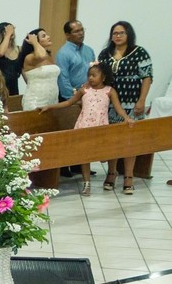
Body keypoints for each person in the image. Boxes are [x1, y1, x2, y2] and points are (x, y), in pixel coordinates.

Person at [41, 63, 132, 197]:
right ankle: (86, 182)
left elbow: (118, 108)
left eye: (94, 75)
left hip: (100, 126)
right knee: (85, 156)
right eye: (89, 75)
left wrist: (126, 118)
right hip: (84, 126)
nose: (90, 78)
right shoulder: (84, 90)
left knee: (105, 155)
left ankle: (113, 173)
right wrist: (49, 107)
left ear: (104, 77)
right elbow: (68, 103)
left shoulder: (109, 91)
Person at [98, 21, 152, 194]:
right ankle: (112, 173)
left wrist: (142, 100)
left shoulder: (139, 52)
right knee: (113, 140)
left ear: (129, 34)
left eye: (122, 33)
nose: (118, 36)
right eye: (115, 33)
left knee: (130, 140)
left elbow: (147, 77)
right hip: (109, 104)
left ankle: (129, 176)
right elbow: (99, 76)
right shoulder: (105, 53)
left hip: (132, 102)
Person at [19, 29, 61, 111]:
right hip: (35, 100)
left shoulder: (48, 55)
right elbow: (41, 56)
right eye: (44, 36)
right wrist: (34, 42)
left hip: (52, 100)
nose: (48, 37)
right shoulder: (30, 57)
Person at [56, 20, 94, 101]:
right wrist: (73, 98)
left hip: (90, 95)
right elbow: (63, 79)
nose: (81, 33)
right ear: (67, 35)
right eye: (76, 31)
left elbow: (94, 73)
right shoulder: (63, 53)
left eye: (82, 30)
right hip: (72, 98)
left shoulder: (89, 50)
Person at [0, 22, 21, 95]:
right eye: (7, 30)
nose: (11, 32)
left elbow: (22, 69)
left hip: (13, 86)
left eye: (12, 30)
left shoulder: (18, 49)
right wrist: (8, 35)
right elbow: (0, 53)